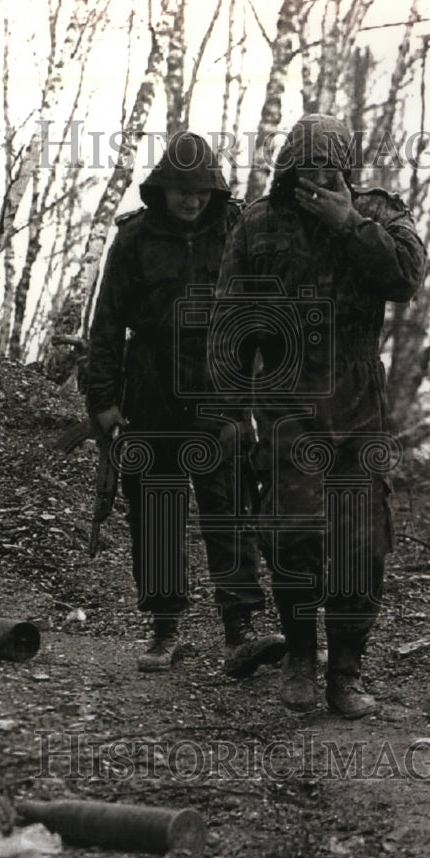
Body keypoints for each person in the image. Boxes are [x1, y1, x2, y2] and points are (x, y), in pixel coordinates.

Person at [209, 114, 426, 717]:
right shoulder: (258, 223)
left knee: (365, 543)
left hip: (358, 404)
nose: (319, 180)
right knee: (293, 534)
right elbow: (231, 325)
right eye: (308, 169)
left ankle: (346, 673)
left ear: (349, 170)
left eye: (331, 170)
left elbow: (406, 279)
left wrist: (349, 224)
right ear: (288, 167)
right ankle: (302, 657)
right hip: (287, 402)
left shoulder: (380, 216)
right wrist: (231, 412)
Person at [86, 131, 285, 676]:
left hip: (220, 388)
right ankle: (164, 628)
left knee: (230, 509)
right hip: (150, 387)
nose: (192, 202)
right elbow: (106, 324)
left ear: (215, 191)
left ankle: (240, 629)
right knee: (156, 510)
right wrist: (102, 400)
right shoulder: (133, 241)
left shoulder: (238, 232)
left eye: (201, 192)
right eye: (182, 192)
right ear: (162, 189)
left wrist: (261, 398)